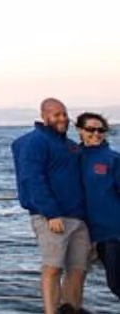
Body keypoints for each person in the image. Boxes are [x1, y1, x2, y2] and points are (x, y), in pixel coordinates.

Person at [13, 98, 91, 314]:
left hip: (79, 218)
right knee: (53, 267)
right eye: (56, 114)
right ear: (44, 116)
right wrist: (51, 213)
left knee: (78, 271)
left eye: (64, 114)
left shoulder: (70, 146)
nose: (62, 118)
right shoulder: (35, 142)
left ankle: (71, 309)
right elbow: (32, 178)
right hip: (52, 218)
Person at [77, 112, 120, 302]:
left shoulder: (113, 159)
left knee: (116, 283)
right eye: (90, 129)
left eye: (100, 129)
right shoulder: (71, 158)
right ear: (79, 130)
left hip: (113, 231)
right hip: (83, 232)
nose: (96, 133)